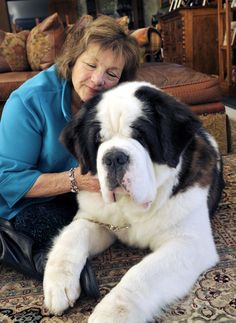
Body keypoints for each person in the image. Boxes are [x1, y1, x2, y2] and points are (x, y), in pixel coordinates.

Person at [0, 15, 140, 297]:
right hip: (23, 200)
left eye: (112, 74)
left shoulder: (113, 101)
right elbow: (5, 179)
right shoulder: (28, 101)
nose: (98, 79)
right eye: (91, 65)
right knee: (60, 227)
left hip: (73, 193)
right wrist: (75, 181)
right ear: (73, 58)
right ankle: (21, 249)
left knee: (125, 217)